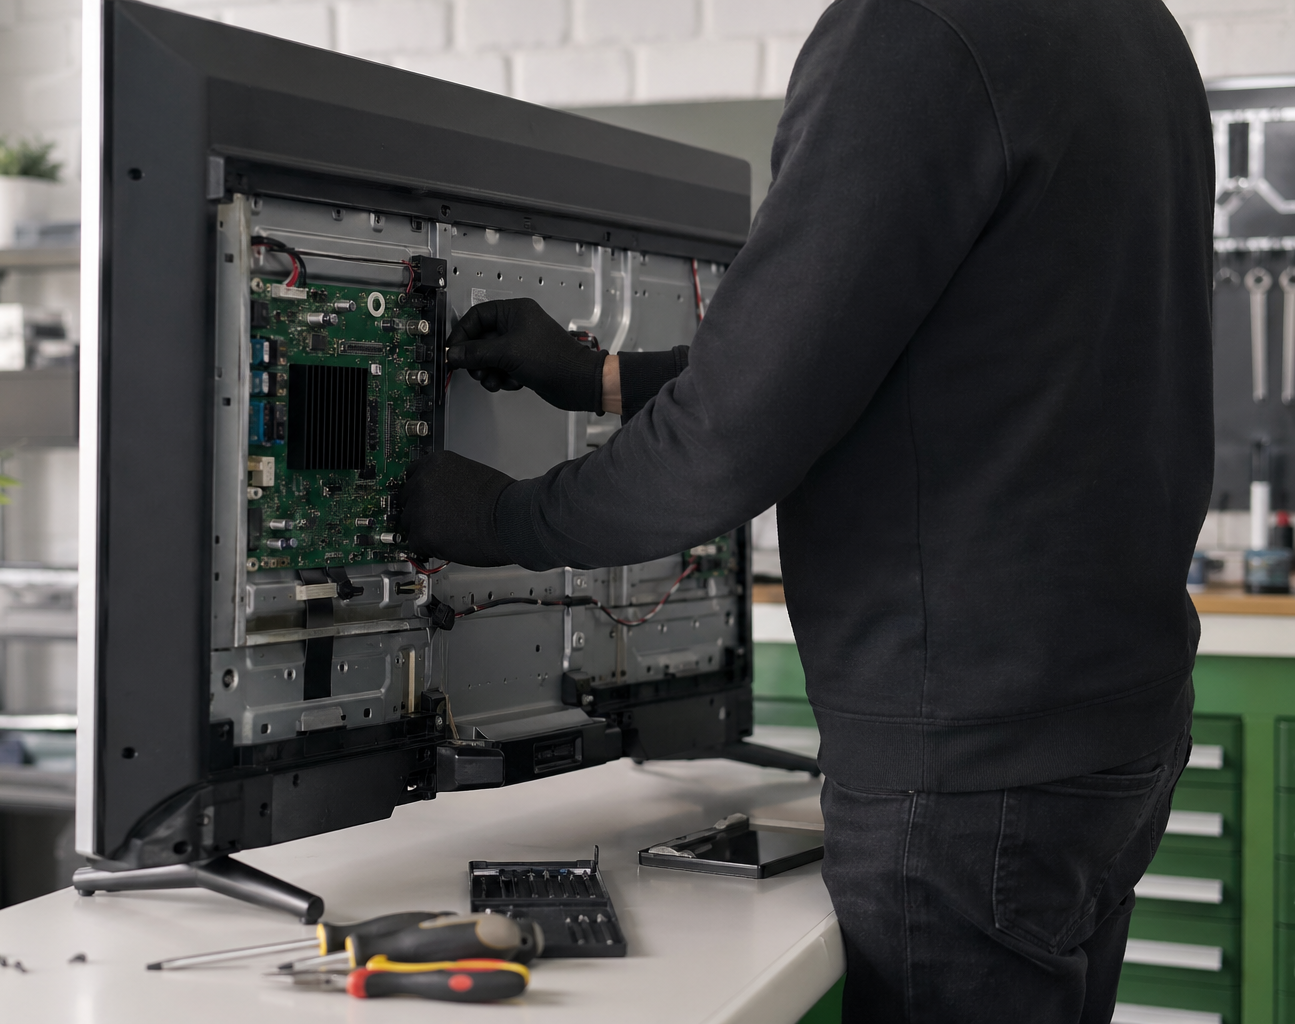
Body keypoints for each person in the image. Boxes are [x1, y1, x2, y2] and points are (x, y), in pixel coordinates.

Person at [399, 0, 1213, 1020]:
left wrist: (499, 522)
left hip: (969, 771)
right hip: (1105, 731)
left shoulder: (916, 33)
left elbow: (735, 436)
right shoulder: (1130, 28)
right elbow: (886, 345)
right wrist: (602, 377)